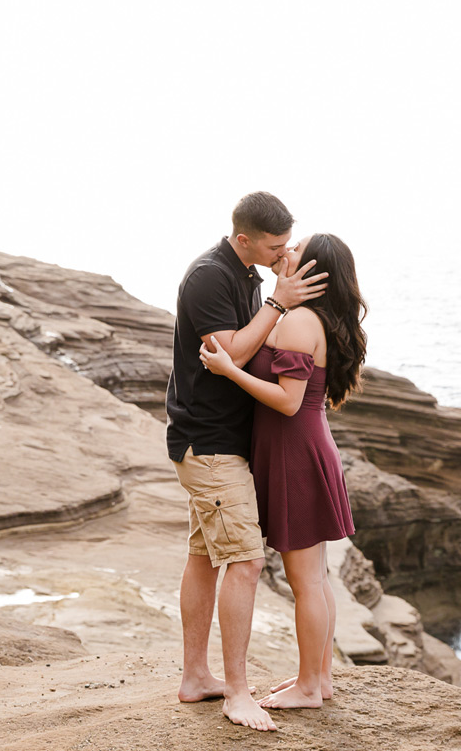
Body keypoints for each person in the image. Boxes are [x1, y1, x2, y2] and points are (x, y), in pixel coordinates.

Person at [166, 192, 327, 732]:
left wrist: (275, 282)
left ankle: (196, 677)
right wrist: (278, 303)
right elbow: (226, 355)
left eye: (288, 244)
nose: (285, 253)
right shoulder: (210, 277)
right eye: (276, 245)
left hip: (224, 442)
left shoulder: (249, 277)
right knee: (246, 561)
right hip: (209, 442)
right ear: (243, 240)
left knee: (205, 556)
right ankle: (237, 692)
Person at [200, 232, 366, 710]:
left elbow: (289, 402)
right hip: (303, 448)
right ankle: (321, 680)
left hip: (295, 451)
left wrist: (230, 370)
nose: (285, 252)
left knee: (306, 582)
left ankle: (310, 687)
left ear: (311, 269)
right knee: (316, 578)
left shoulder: (299, 323)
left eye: (296, 248)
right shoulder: (304, 318)